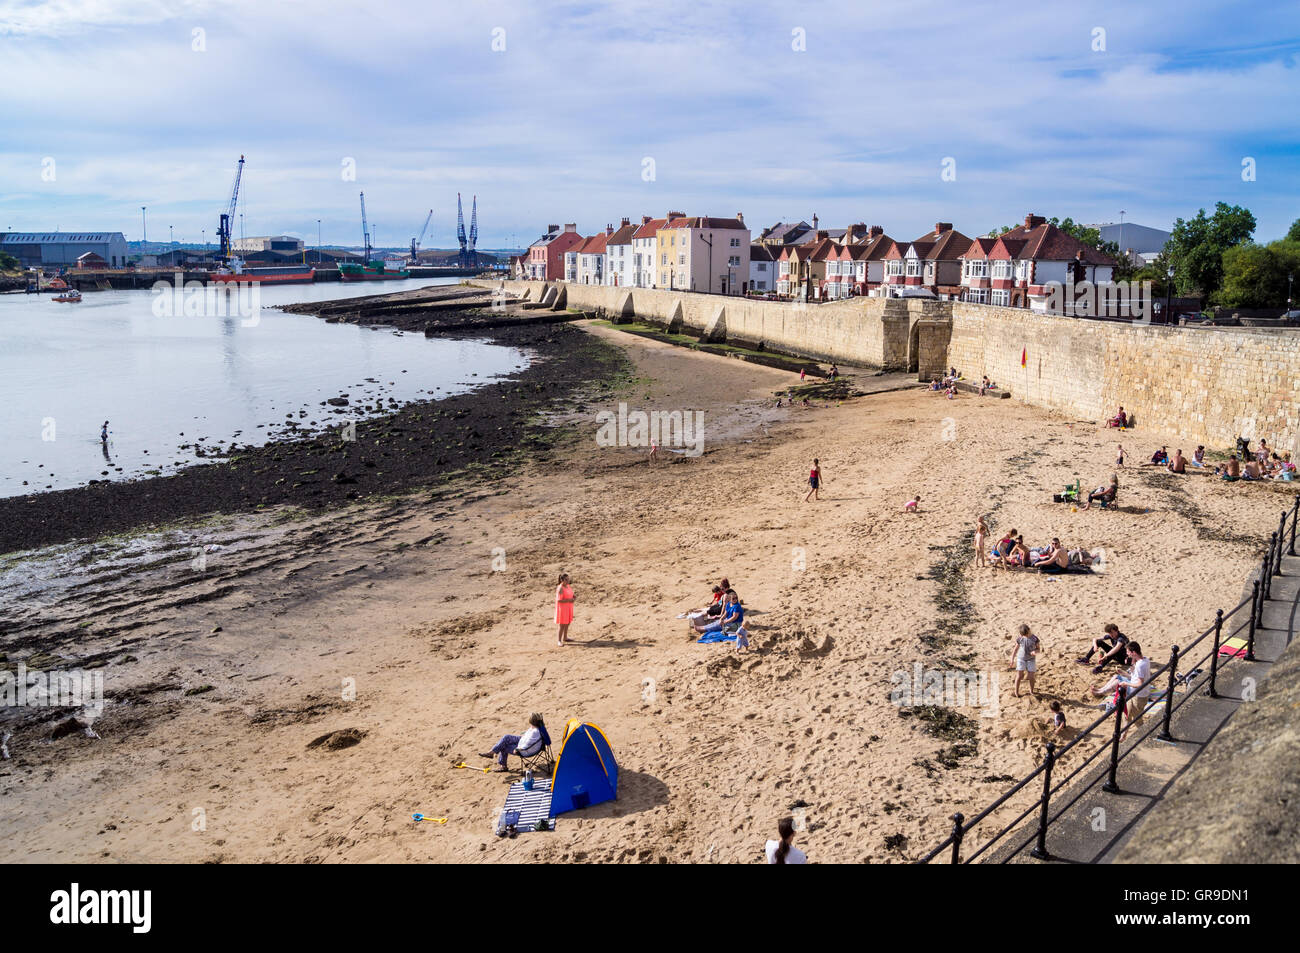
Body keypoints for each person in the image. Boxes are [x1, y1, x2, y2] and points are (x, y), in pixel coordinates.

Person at [1091, 642, 1151, 740]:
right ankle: (1124, 735)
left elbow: (1140, 684)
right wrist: (1124, 674)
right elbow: (1136, 678)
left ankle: (1146, 737)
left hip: (1139, 696)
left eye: (1128, 652)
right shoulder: (1145, 660)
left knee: (1137, 720)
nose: (1127, 654)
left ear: (1134, 652)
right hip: (1136, 694)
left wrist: (1126, 684)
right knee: (1126, 714)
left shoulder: (1140, 665)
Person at [480, 712, 546, 772]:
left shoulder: (535, 732)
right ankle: (492, 752)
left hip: (525, 750)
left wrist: (518, 749)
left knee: (503, 747)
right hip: (523, 740)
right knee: (506, 737)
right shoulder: (539, 727)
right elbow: (530, 738)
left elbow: (528, 744)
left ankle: (503, 766)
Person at [1010, 623, 1040, 698]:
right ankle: (1016, 692)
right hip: (1021, 659)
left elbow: (1038, 649)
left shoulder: (1035, 639)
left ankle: (1031, 691)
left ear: (1029, 630)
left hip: (1031, 659)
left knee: (1031, 676)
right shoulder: (1020, 638)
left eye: (1027, 634)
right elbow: (1015, 649)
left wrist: (1035, 652)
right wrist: (1012, 659)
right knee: (1019, 676)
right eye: (1024, 635)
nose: (1026, 636)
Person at [555, 573, 575, 646]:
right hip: (563, 608)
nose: (568, 581)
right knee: (562, 625)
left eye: (568, 579)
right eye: (566, 580)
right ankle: (559, 641)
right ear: (562, 580)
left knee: (568, 622)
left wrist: (573, 597)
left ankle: (565, 637)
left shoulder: (568, 586)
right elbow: (559, 600)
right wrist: (569, 600)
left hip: (569, 607)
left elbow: (570, 594)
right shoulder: (560, 588)